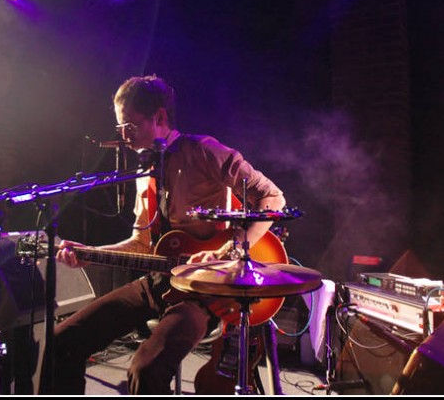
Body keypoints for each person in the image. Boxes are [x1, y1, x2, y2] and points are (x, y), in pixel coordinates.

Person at [47, 75, 286, 394]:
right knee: (62, 342)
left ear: (159, 118)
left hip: (205, 292)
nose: (123, 136)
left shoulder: (204, 151)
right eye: (120, 127)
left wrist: (231, 249)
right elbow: (142, 244)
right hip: (160, 282)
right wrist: (90, 253)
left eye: (129, 126)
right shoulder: (144, 175)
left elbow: (273, 198)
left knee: (146, 369)